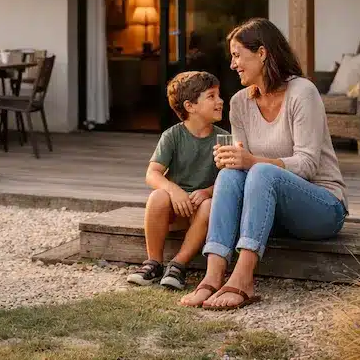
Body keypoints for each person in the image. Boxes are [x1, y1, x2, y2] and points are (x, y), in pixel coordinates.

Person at [179, 18, 348, 310]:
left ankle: (243, 278)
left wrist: (251, 161)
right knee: (231, 176)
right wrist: (230, 163)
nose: (232, 65)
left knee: (260, 170)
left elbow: (307, 165)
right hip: (271, 213)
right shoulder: (240, 103)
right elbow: (242, 166)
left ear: (262, 53)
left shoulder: (303, 93)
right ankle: (212, 276)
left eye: (236, 55)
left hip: (322, 207)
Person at [127, 71, 224, 291]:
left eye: (219, 95)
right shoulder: (172, 136)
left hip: (202, 210)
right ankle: (153, 263)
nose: (220, 101)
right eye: (212, 96)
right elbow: (152, 173)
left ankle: (178, 265)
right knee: (158, 196)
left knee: (209, 205)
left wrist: (208, 192)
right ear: (190, 106)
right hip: (175, 209)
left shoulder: (223, 138)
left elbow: (230, 178)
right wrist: (174, 191)